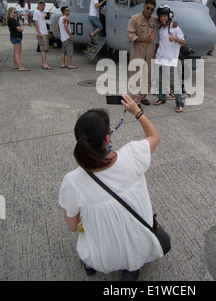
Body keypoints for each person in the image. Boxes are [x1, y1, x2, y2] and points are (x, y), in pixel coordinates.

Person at [59, 94, 163, 280]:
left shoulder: (72, 181)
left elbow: (72, 227)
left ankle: (90, 264)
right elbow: (154, 136)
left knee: (85, 233)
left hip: (103, 259)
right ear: (108, 137)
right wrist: (137, 112)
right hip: (141, 246)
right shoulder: (132, 155)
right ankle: (131, 268)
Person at [127, 0, 160, 108]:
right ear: (143, 6)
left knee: (147, 75)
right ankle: (135, 101)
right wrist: (143, 40)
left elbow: (166, 21)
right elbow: (130, 35)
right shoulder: (135, 19)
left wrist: (174, 23)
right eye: (148, 8)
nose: (149, 11)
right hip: (138, 50)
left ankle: (142, 97)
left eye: (152, 9)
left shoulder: (155, 21)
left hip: (150, 51)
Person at [153, 5, 185, 113]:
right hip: (160, 57)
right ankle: (162, 98)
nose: (163, 18)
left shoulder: (175, 28)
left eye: (165, 16)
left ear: (169, 16)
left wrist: (175, 38)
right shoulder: (160, 29)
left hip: (171, 59)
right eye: (161, 16)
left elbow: (183, 42)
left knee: (173, 82)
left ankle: (179, 103)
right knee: (161, 80)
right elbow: (158, 43)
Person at [6, 7, 30, 71]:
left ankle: (15, 65)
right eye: (14, 12)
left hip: (16, 37)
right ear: (10, 12)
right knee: (17, 52)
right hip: (16, 37)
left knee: (16, 52)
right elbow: (19, 29)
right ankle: (20, 67)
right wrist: (21, 29)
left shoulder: (13, 19)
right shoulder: (11, 20)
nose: (16, 13)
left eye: (16, 12)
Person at [33, 1, 53, 70]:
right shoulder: (36, 12)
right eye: (40, 5)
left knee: (45, 48)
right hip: (41, 33)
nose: (42, 6)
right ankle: (44, 64)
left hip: (44, 33)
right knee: (43, 49)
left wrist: (47, 32)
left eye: (43, 5)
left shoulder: (42, 13)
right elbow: (35, 22)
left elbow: (43, 24)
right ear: (38, 5)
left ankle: (45, 63)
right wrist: (39, 32)